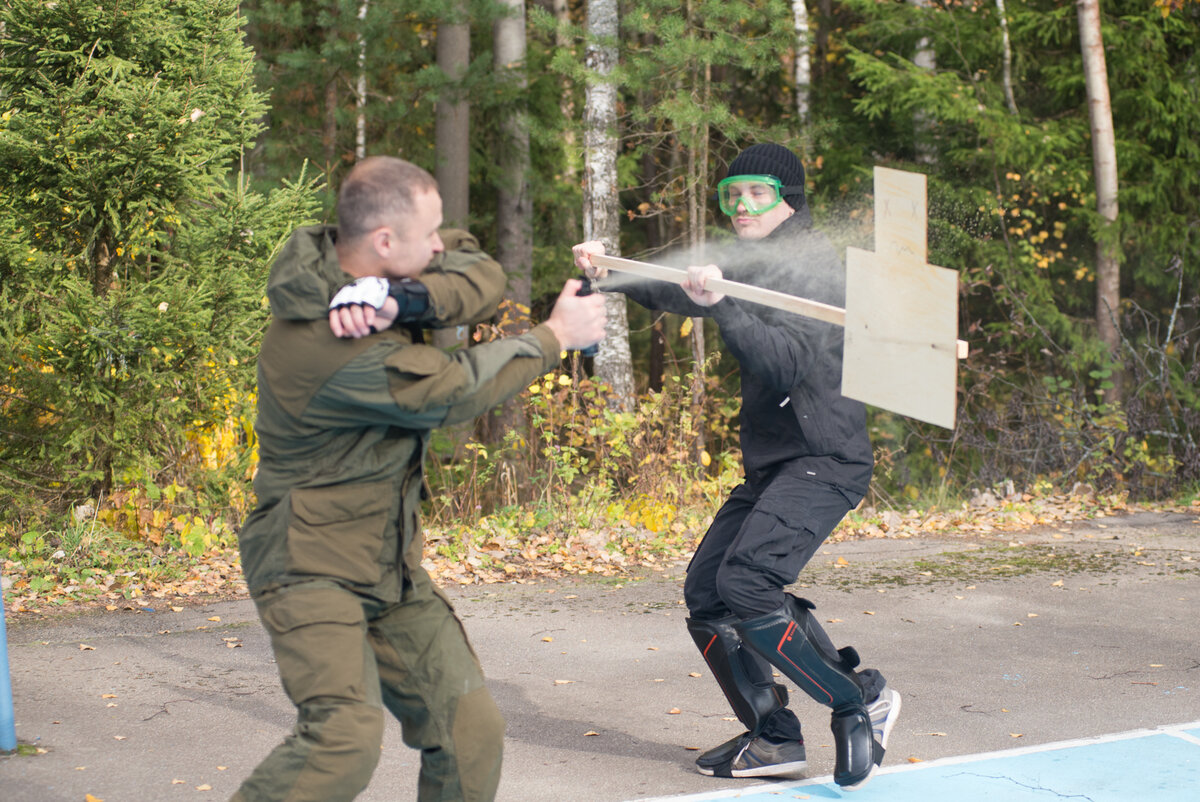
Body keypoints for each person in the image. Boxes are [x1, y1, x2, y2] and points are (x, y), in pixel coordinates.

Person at [234, 155, 606, 802]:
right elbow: (450, 392)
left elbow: (478, 266)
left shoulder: (377, 278)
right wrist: (554, 338)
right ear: (384, 242)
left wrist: (405, 295)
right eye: (427, 234)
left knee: (470, 732)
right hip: (309, 566)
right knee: (342, 742)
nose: (439, 244)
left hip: (387, 566)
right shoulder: (325, 341)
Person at [572, 143, 900, 790]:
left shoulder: (815, 269)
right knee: (708, 592)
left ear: (788, 199)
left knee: (748, 581)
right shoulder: (752, 261)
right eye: (731, 195)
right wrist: (607, 273)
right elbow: (676, 290)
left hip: (823, 457)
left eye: (756, 193)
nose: (740, 206)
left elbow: (782, 364)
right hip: (776, 465)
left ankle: (855, 702)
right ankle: (775, 738)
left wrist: (722, 304)